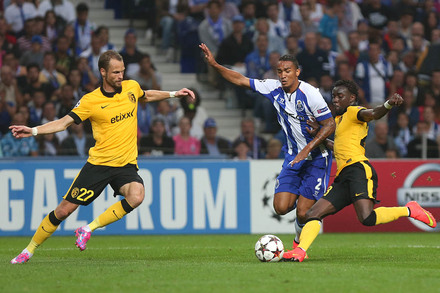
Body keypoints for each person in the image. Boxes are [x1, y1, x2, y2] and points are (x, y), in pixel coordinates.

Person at [9, 50, 195, 264]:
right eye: (116, 72)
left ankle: (87, 229)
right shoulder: (90, 101)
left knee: (137, 195)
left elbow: (146, 95)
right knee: (63, 211)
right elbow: (63, 123)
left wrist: (173, 94)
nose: (120, 76)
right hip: (99, 165)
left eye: (123, 71)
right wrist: (32, 131)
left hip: (125, 164)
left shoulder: (131, 87)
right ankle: (29, 250)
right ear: (103, 72)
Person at [283, 80, 437, 262]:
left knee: (367, 218)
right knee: (312, 214)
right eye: (334, 97)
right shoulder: (338, 121)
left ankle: (409, 210)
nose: (336, 100)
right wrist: (320, 135)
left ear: (352, 98)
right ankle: (300, 251)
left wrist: (388, 104)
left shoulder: (354, 111)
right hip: (343, 177)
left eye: (341, 96)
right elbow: (338, 147)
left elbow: (373, 113)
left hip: (358, 170)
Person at [200, 42, 335, 249]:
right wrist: (215, 65)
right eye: (279, 71)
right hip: (292, 157)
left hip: (317, 158)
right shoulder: (273, 88)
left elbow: (330, 125)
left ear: (297, 72)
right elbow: (240, 79)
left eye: (287, 71)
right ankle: (303, 209)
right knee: (280, 207)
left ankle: (299, 246)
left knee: (303, 211)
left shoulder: (311, 94)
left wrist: (308, 148)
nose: (282, 75)